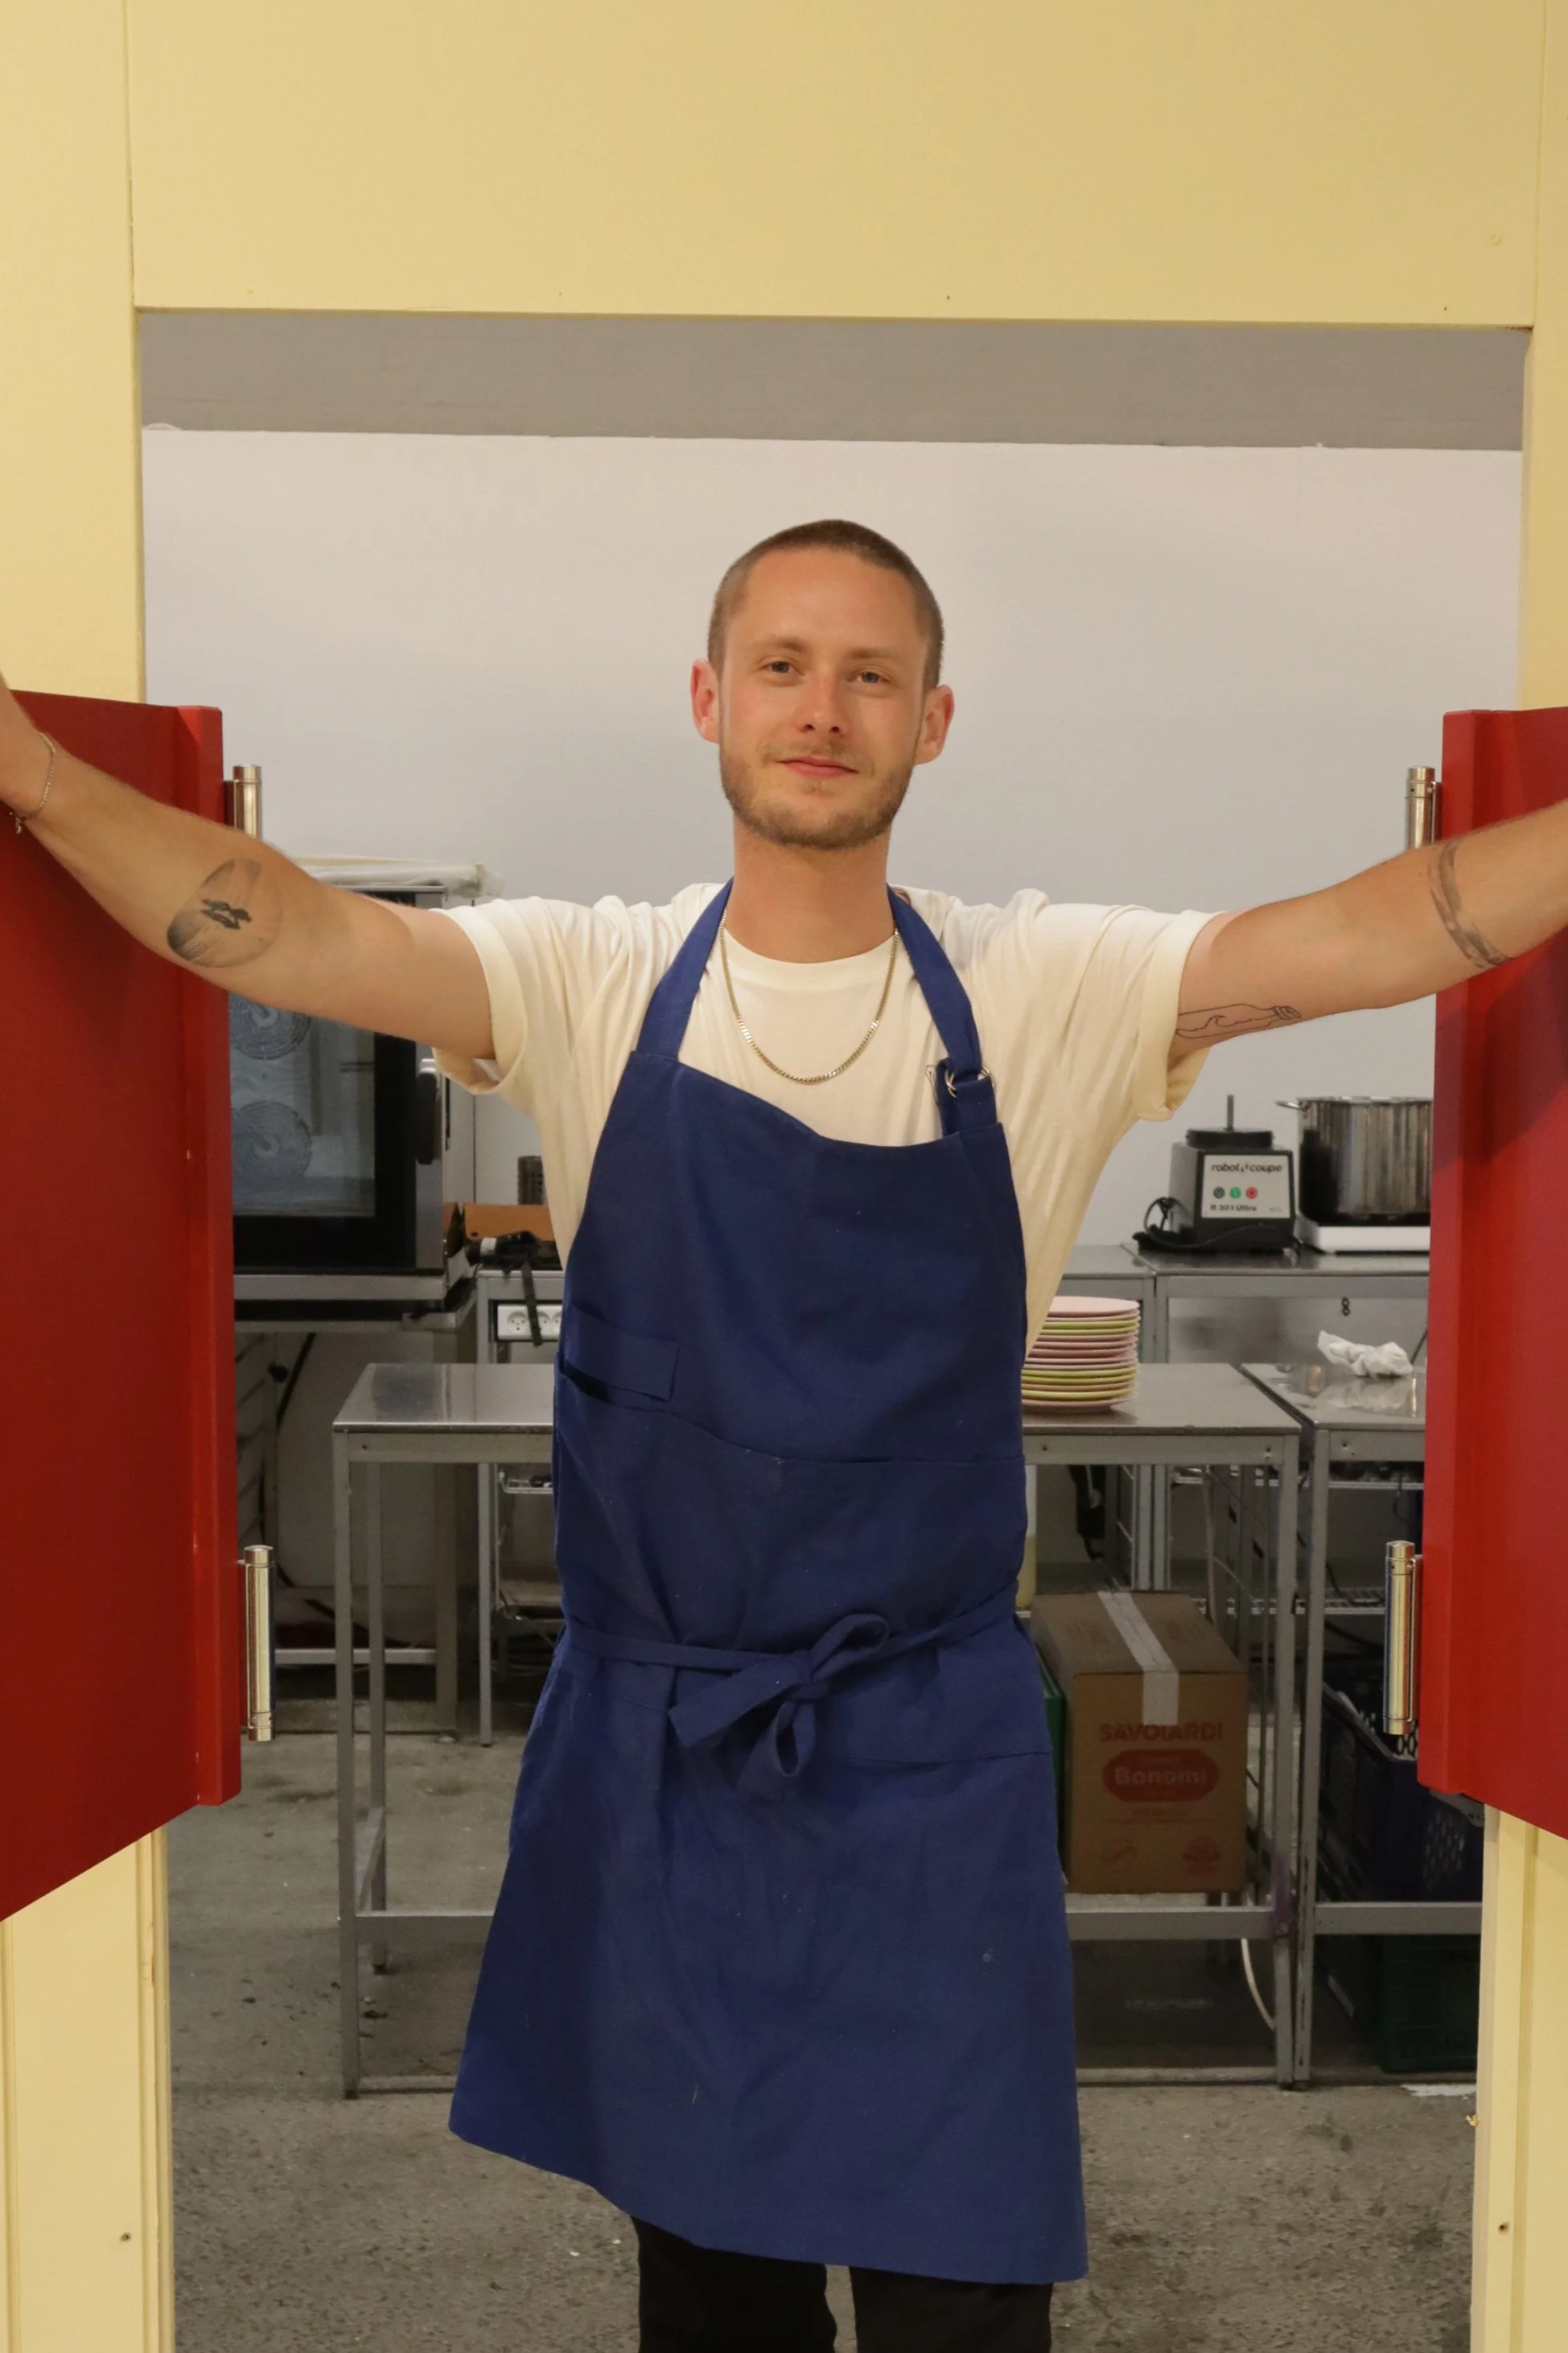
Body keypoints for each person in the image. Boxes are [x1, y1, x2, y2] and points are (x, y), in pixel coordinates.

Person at [1, 516, 1555, 2353]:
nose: (823, 708)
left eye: (870, 673)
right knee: (714, 2285)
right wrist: (32, 775)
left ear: (933, 720)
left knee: (959, 2283)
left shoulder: (1037, 989)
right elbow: (290, 928)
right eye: (784, 665)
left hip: (927, 1745)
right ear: (709, 699)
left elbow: (1373, 933)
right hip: (665, 1743)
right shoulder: (584, 981)